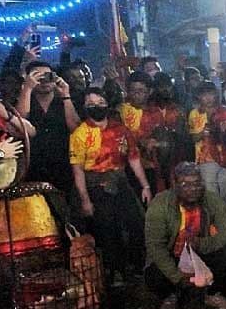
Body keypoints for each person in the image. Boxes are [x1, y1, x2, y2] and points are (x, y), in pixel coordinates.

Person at [70, 87, 152, 286]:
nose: (95, 107)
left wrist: (145, 186)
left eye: (99, 103)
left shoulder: (120, 129)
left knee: (137, 222)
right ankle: (117, 271)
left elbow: (133, 158)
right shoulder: (80, 134)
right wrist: (85, 200)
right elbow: (78, 170)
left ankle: (138, 265)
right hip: (96, 185)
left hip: (120, 180)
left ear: (107, 104)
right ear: (84, 107)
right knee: (108, 230)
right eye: (90, 104)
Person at [144, 162, 226, 309]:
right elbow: (155, 245)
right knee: (153, 273)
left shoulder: (211, 200)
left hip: (200, 252)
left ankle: (213, 293)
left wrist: (202, 244)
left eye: (196, 183)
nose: (192, 189)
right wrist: (177, 277)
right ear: (175, 185)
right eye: (185, 184)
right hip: (173, 254)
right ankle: (172, 293)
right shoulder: (160, 204)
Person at [188, 82, 226, 245]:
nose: (208, 98)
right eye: (204, 95)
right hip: (205, 160)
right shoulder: (194, 114)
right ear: (199, 97)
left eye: (211, 94)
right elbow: (191, 138)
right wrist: (202, 133)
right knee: (211, 199)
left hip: (225, 158)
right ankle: (217, 235)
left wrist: (225, 132)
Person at [17, 61, 79, 195]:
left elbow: (75, 128)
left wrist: (65, 95)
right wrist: (27, 89)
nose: (44, 80)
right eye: (38, 77)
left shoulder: (64, 102)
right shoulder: (26, 101)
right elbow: (20, 122)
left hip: (63, 168)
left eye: (48, 76)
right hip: (34, 170)